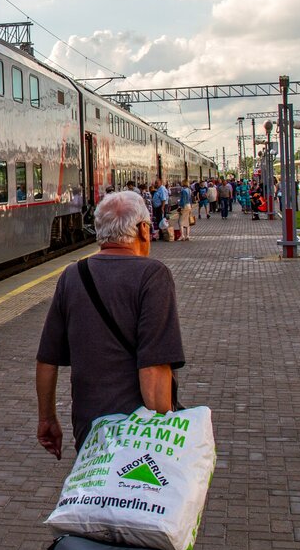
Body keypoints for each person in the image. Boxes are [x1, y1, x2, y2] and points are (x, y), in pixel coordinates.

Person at [35, 191, 186, 457]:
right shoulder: (153, 275)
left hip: (89, 429)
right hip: (138, 432)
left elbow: (47, 360)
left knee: (94, 494)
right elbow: (154, 369)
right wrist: (164, 439)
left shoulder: (72, 275)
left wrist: (46, 419)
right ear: (141, 230)